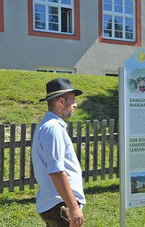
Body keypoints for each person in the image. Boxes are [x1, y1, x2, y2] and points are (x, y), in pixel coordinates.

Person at [32, 78, 86, 227]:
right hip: (60, 205)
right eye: (73, 100)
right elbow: (56, 171)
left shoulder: (49, 125)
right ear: (61, 101)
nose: (75, 105)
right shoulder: (53, 128)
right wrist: (74, 207)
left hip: (57, 204)